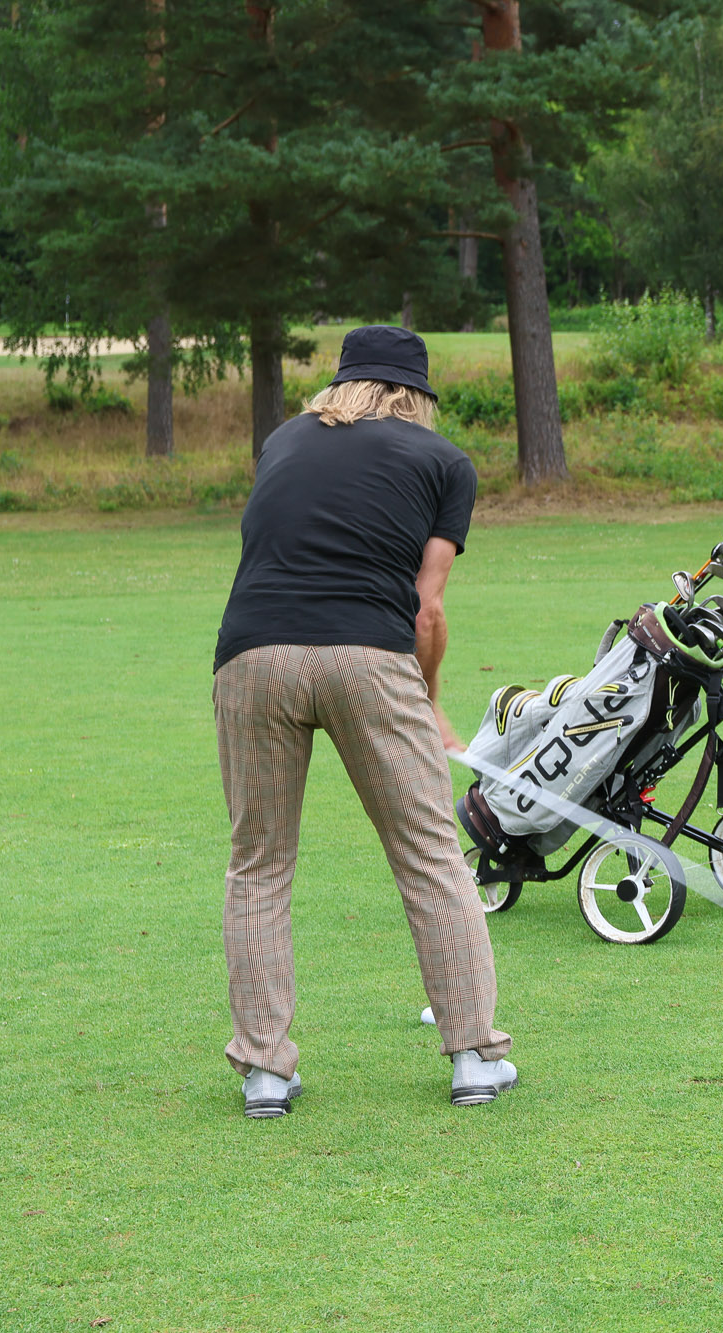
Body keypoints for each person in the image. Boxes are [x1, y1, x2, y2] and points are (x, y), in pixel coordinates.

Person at [212, 325, 516, 1116]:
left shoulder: (282, 440)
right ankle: (474, 1057)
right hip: (368, 657)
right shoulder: (443, 461)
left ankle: (265, 1071)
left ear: (342, 382)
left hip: (251, 654)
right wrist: (431, 698)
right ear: (415, 395)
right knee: (431, 855)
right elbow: (426, 608)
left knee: (258, 865)